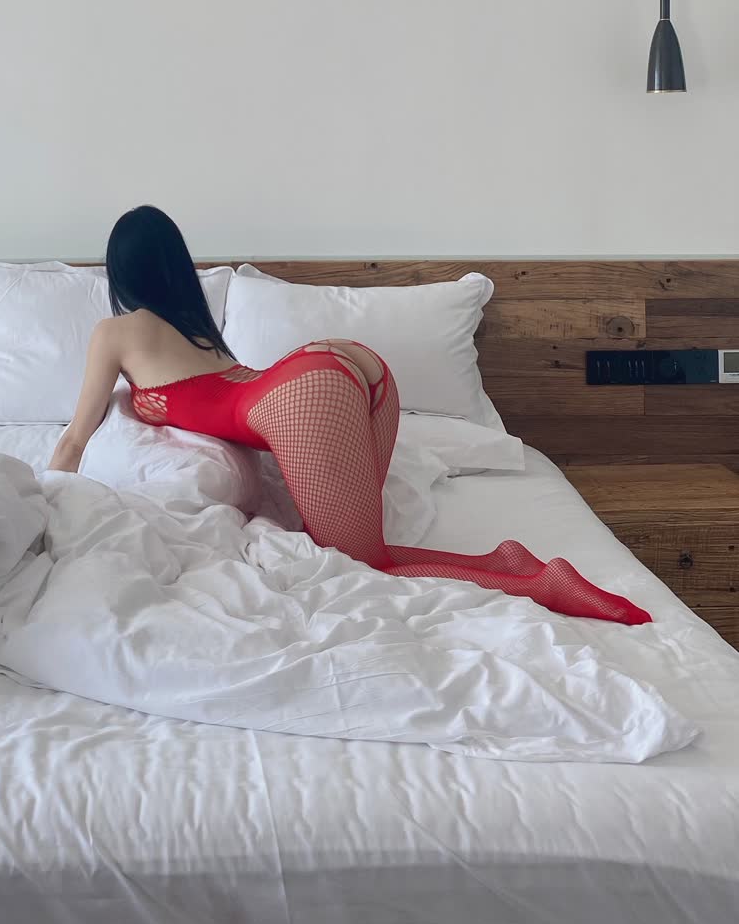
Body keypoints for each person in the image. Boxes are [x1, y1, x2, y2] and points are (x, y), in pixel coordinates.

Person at [48, 206, 651, 626]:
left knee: (359, 564)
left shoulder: (116, 332)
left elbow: (75, 438)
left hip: (305, 393)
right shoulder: (199, 332)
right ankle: (504, 563)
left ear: (121, 269)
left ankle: (538, 585)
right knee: (369, 550)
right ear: (175, 266)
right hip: (350, 368)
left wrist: (48, 503)